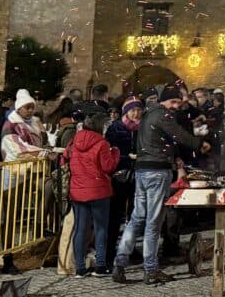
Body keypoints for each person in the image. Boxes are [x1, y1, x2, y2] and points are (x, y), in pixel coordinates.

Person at [112, 85, 208, 285]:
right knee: (153, 222)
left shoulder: (148, 115)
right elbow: (179, 135)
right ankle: (151, 269)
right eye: (173, 102)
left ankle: (119, 265)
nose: (175, 106)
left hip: (142, 170)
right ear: (164, 101)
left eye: (177, 103)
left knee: (137, 218)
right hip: (157, 171)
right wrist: (201, 144)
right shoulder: (162, 115)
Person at [0, 89, 49, 275]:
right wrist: (42, 153)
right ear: (19, 108)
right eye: (27, 107)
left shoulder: (35, 123)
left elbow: (43, 140)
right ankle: (7, 255)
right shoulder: (10, 125)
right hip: (14, 172)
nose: (30, 110)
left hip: (32, 171)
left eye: (32, 107)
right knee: (9, 214)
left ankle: (40, 239)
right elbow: (17, 148)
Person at [67, 112, 120, 277]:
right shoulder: (102, 143)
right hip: (98, 190)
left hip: (78, 190)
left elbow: (66, 157)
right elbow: (108, 166)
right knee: (101, 228)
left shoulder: (74, 141)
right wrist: (115, 152)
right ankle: (101, 266)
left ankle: (80, 268)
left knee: (80, 229)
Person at [105, 98, 142, 264]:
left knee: (134, 215)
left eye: (139, 110)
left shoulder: (142, 128)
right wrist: (127, 158)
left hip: (137, 176)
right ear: (126, 111)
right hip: (120, 176)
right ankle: (109, 251)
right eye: (132, 110)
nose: (136, 113)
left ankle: (129, 248)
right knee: (115, 215)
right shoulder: (116, 128)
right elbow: (109, 151)